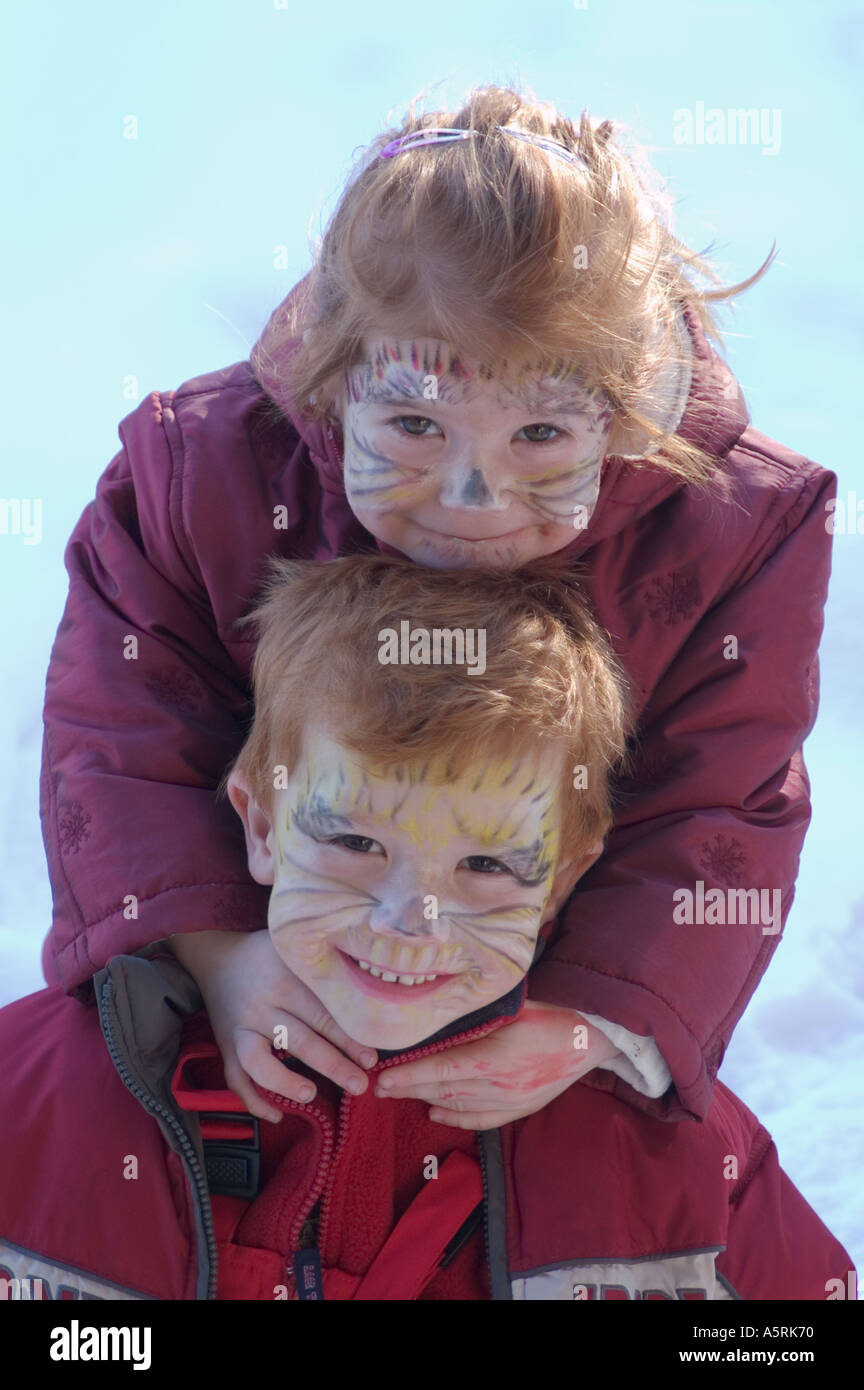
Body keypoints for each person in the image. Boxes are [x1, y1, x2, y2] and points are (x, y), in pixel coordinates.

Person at [38, 84, 835, 1134]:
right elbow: (119, 726)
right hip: (264, 962)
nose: (474, 497)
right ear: (334, 377)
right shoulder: (200, 475)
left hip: (538, 1008)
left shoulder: (733, 527)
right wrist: (217, 951)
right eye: (415, 421)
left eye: (542, 437)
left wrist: (597, 1017)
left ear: (627, 411)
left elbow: (723, 801)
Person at [3, 557, 852, 1300]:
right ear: (262, 826)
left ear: (564, 875)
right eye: (355, 842)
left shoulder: (672, 1153)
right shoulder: (37, 1091)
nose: (410, 922)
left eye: (485, 868)